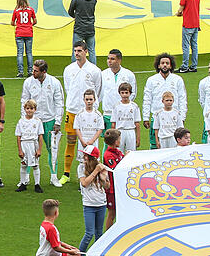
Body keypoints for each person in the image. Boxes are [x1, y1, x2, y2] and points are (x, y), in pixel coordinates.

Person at [10, 198, 81, 256]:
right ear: (56, 213)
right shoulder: (51, 228)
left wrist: (68, 246)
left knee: (77, 254)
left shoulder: (45, 224)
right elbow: (56, 247)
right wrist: (70, 251)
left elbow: (55, 241)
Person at [63, 42, 103, 180]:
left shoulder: (94, 70)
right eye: (75, 51)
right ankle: (66, 173)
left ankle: (89, 172)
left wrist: (91, 105)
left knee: (89, 143)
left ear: (86, 51)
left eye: (79, 51)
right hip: (72, 110)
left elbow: (98, 90)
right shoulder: (68, 69)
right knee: (70, 140)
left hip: (89, 112)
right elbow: (68, 88)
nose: (77, 53)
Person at [22, 60, 64, 185]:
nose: (33, 72)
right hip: (33, 121)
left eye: (36, 70)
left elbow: (59, 102)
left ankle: (54, 176)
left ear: (43, 71)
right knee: (30, 148)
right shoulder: (28, 82)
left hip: (50, 120)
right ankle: (27, 177)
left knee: (52, 149)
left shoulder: (55, 82)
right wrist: (24, 120)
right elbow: (24, 101)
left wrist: (57, 121)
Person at [142, 53, 187, 149]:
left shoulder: (177, 79)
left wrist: (182, 116)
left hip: (173, 117)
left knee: (176, 144)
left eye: (167, 63)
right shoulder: (151, 80)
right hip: (157, 116)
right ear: (158, 65)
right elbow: (147, 99)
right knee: (155, 145)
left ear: (171, 65)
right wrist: (146, 117)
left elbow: (182, 98)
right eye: (162, 63)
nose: (165, 65)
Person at [77, 145, 109, 256]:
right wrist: (96, 171)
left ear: (93, 158)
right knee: (89, 233)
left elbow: (107, 187)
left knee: (99, 233)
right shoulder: (81, 167)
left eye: (86, 156)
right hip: (89, 205)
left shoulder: (101, 168)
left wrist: (103, 177)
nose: (84, 157)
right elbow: (84, 183)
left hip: (101, 204)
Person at [100, 50, 136, 135]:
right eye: (108, 58)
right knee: (108, 141)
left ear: (119, 60)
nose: (109, 61)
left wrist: (124, 105)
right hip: (108, 113)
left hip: (123, 114)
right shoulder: (102, 74)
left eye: (112, 59)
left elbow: (133, 93)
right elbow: (99, 93)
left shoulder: (129, 74)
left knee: (123, 139)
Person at [15, 99, 45, 192]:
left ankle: (37, 184)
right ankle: (23, 183)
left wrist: (39, 149)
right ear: (24, 109)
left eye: (31, 108)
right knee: (23, 164)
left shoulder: (37, 121)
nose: (29, 110)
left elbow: (40, 136)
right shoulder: (21, 121)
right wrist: (20, 150)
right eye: (27, 108)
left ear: (35, 109)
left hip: (33, 143)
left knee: (35, 165)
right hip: (24, 143)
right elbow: (18, 136)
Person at [67, 0, 97, 64]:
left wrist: (76, 17)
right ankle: (93, 70)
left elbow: (70, 11)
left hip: (79, 27)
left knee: (76, 49)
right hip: (90, 27)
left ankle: (74, 69)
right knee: (91, 50)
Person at [176, 0, 200, 73]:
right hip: (196, 24)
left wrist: (178, 13)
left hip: (188, 24)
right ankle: (194, 66)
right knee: (194, 46)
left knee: (185, 46)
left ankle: (184, 66)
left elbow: (180, 9)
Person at [11, 0, 37, 78]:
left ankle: (20, 72)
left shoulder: (16, 11)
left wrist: (18, 25)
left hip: (19, 33)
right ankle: (30, 71)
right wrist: (29, 25)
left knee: (20, 53)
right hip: (29, 33)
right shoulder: (31, 10)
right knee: (29, 52)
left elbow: (12, 23)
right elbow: (35, 21)